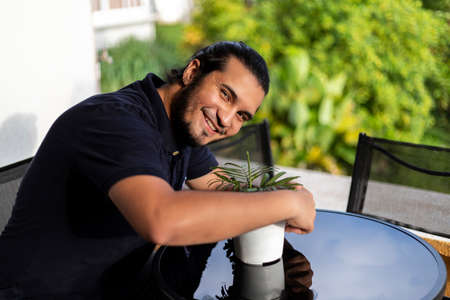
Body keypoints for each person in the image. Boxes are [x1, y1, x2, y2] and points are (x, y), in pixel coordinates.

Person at [0, 41, 315, 299]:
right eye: (225, 94)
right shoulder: (116, 122)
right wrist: (288, 202)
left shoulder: (182, 127)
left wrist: (273, 238)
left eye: (242, 115)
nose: (226, 119)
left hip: (125, 284)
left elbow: (221, 188)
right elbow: (162, 219)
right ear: (193, 72)